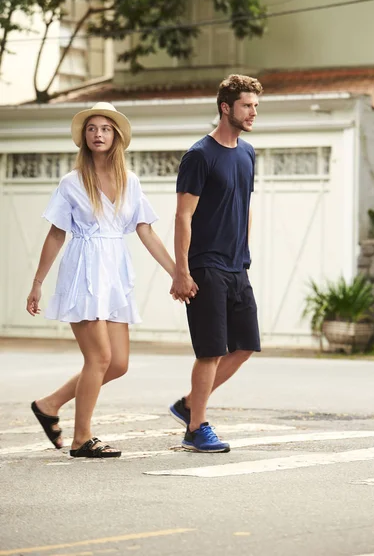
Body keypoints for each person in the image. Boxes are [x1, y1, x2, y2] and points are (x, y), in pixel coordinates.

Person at [27, 102, 178, 459]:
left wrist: (178, 272)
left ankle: (49, 404)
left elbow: (146, 231)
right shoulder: (72, 182)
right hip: (83, 271)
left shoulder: (131, 182)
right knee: (99, 358)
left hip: (114, 274)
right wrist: (37, 283)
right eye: (92, 128)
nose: (98, 134)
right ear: (84, 136)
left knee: (118, 363)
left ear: (116, 137)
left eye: (105, 129)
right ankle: (82, 439)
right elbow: (55, 235)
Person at [169, 74, 263, 453]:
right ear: (226, 107)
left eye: (256, 105)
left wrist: (243, 248)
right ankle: (196, 427)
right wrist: (182, 269)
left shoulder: (247, 152)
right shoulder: (199, 155)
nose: (253, 112)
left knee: (245, 345)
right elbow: (183, 216)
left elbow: (246, 204)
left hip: (237, 265)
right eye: (246, 105)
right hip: (205, 265)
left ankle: (190, 404)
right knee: (210, 351)